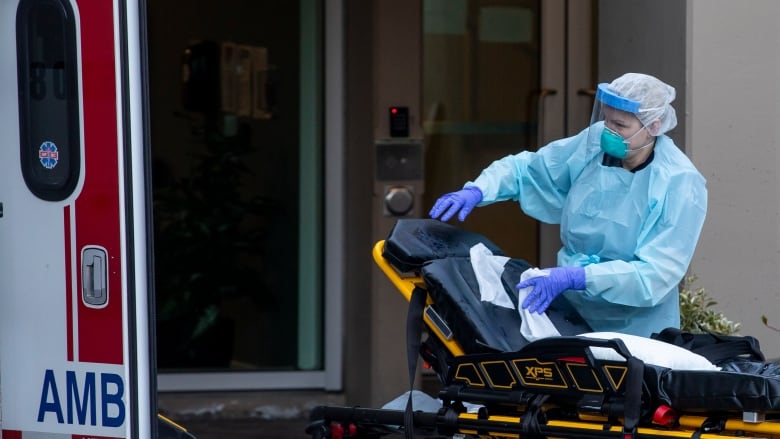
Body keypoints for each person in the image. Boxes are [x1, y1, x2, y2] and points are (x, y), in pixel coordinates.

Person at [429, 73, 707, 337]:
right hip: (571, 310)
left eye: (621, 126)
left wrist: (579, 277)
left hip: (635, 327)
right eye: (608, 120)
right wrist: (480, 189)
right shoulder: (595, 144)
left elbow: (655, 275)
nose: (609, 131)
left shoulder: (679, 183)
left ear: (654, 127)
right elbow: (530, 169)